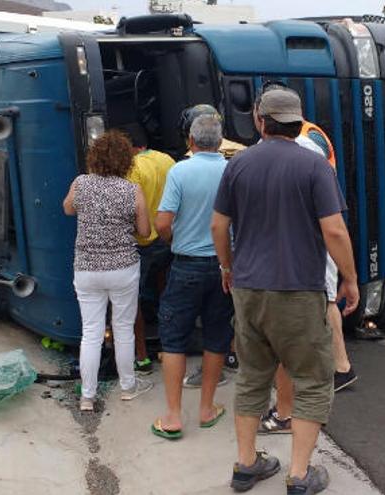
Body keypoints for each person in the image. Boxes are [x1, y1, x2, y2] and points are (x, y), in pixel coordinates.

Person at [211, 88, 359, 494]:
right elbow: (333, 229)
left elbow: (218, 227)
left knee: (252, 377)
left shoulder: (238, 164)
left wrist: (227, 267)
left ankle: (246, 465)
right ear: (297, 121)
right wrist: (349, 278)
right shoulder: (314, 166)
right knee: (311, 379)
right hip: (298, 289)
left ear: (261, 120)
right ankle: (299, 475)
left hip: (248, 289)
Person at [258, 120, 358, 435]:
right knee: (326, 298)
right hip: (314, 237)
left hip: (313, 240)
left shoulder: (302, 148)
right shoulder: (312, 139)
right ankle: (339, 367)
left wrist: (350, 277)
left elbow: (333, 225)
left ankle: (339, 368)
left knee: (327, 299)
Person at [150, 112, 233, 440]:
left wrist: (174, 242)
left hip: (185, 266)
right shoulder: (231, 170)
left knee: (173, 338)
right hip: (223, 266)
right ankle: (206, 409)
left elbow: (161, 222)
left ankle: (172, 416)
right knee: (216, 337)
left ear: (191, 141)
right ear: (220, 141)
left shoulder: (179, 171)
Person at [63, 130, 154, 412]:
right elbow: (144, 231)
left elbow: (67, 209)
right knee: (123, 328)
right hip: (123, 268)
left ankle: (87, 397)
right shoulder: (132, 190)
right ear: (126, 160)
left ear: (96, 157)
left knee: (91, 331)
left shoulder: (81, 183)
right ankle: (128, 388)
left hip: (87, 268)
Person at [122, 124, 176, 375]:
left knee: (135, 302)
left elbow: (132, 211)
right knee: (165, 294)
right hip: (166, 239)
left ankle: (142, 356)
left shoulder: (131, 169)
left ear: (132, 147)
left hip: (141, 243)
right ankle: (168, 348)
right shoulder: (166, 160)